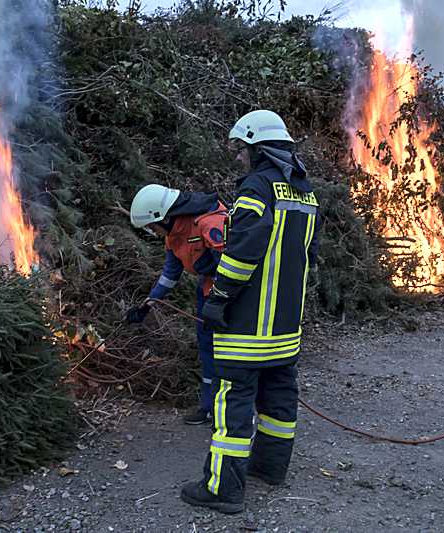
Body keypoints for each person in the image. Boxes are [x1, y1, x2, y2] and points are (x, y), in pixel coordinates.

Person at [179, 110, 321, 514]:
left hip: (247, 325)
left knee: (234, 402)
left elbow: (242, 253)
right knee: (279, 397)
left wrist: (219, 298)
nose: (239, 157)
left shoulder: (257, 189)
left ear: (258, 148)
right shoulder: (305, 191)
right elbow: (308, 255)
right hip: (286, 327)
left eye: (242, 149)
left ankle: (223, 489)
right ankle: (270, 468)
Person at [127, 184, 228, 424]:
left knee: (228, 351)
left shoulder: (210, 224)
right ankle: (208, 407)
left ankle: (229, 410)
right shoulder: (173, 235)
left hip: (229, 296)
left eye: (152, 226)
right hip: (207, 291)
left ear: (162, 217)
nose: (152, 231)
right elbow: (170, 274)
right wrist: (147, 305)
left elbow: (232, 267)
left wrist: (221, 300)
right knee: (207, 349)